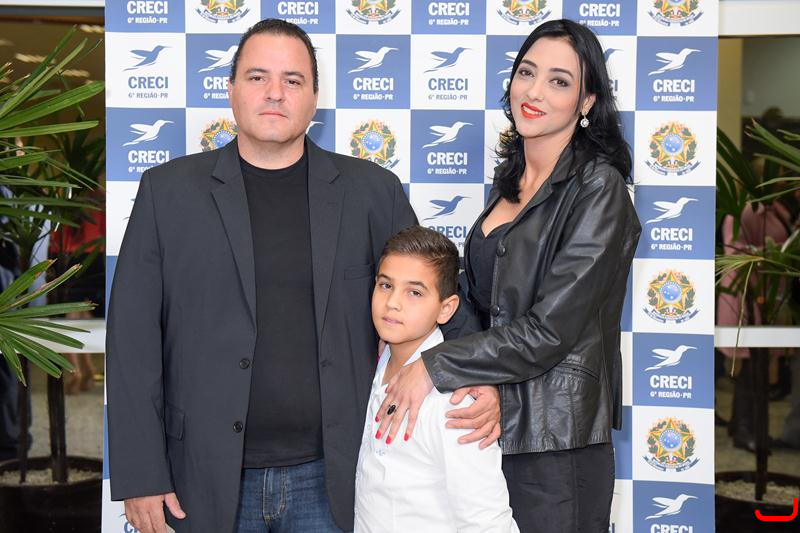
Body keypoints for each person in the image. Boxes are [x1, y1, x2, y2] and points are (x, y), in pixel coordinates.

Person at [106, 18, 497, 533]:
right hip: (201, 475)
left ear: (315, 99)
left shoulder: (371, 192)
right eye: (257, 77)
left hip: (336, 475)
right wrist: (140, 474)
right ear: (230, 90)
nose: (275, 93)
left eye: (293, 80)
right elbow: (132, 339)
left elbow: (437, 293)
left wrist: (471, 373)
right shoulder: (167, 193)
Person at [375, 19, 641, 532]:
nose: (534, 91)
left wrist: (435, 365)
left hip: (556, 443)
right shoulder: (510, 183)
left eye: (559, 81)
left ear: (587, 101)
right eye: (526, 72)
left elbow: (551, 329)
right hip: (489, 425)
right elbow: (481, 307)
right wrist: (478, 383)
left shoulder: (599, 188)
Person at [355, 226, 518, 533]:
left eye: (414, 293)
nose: (393, 303)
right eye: (386, 285)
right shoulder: (375, 363)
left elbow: (487, 521)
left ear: (446, 309)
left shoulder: (456, 402)